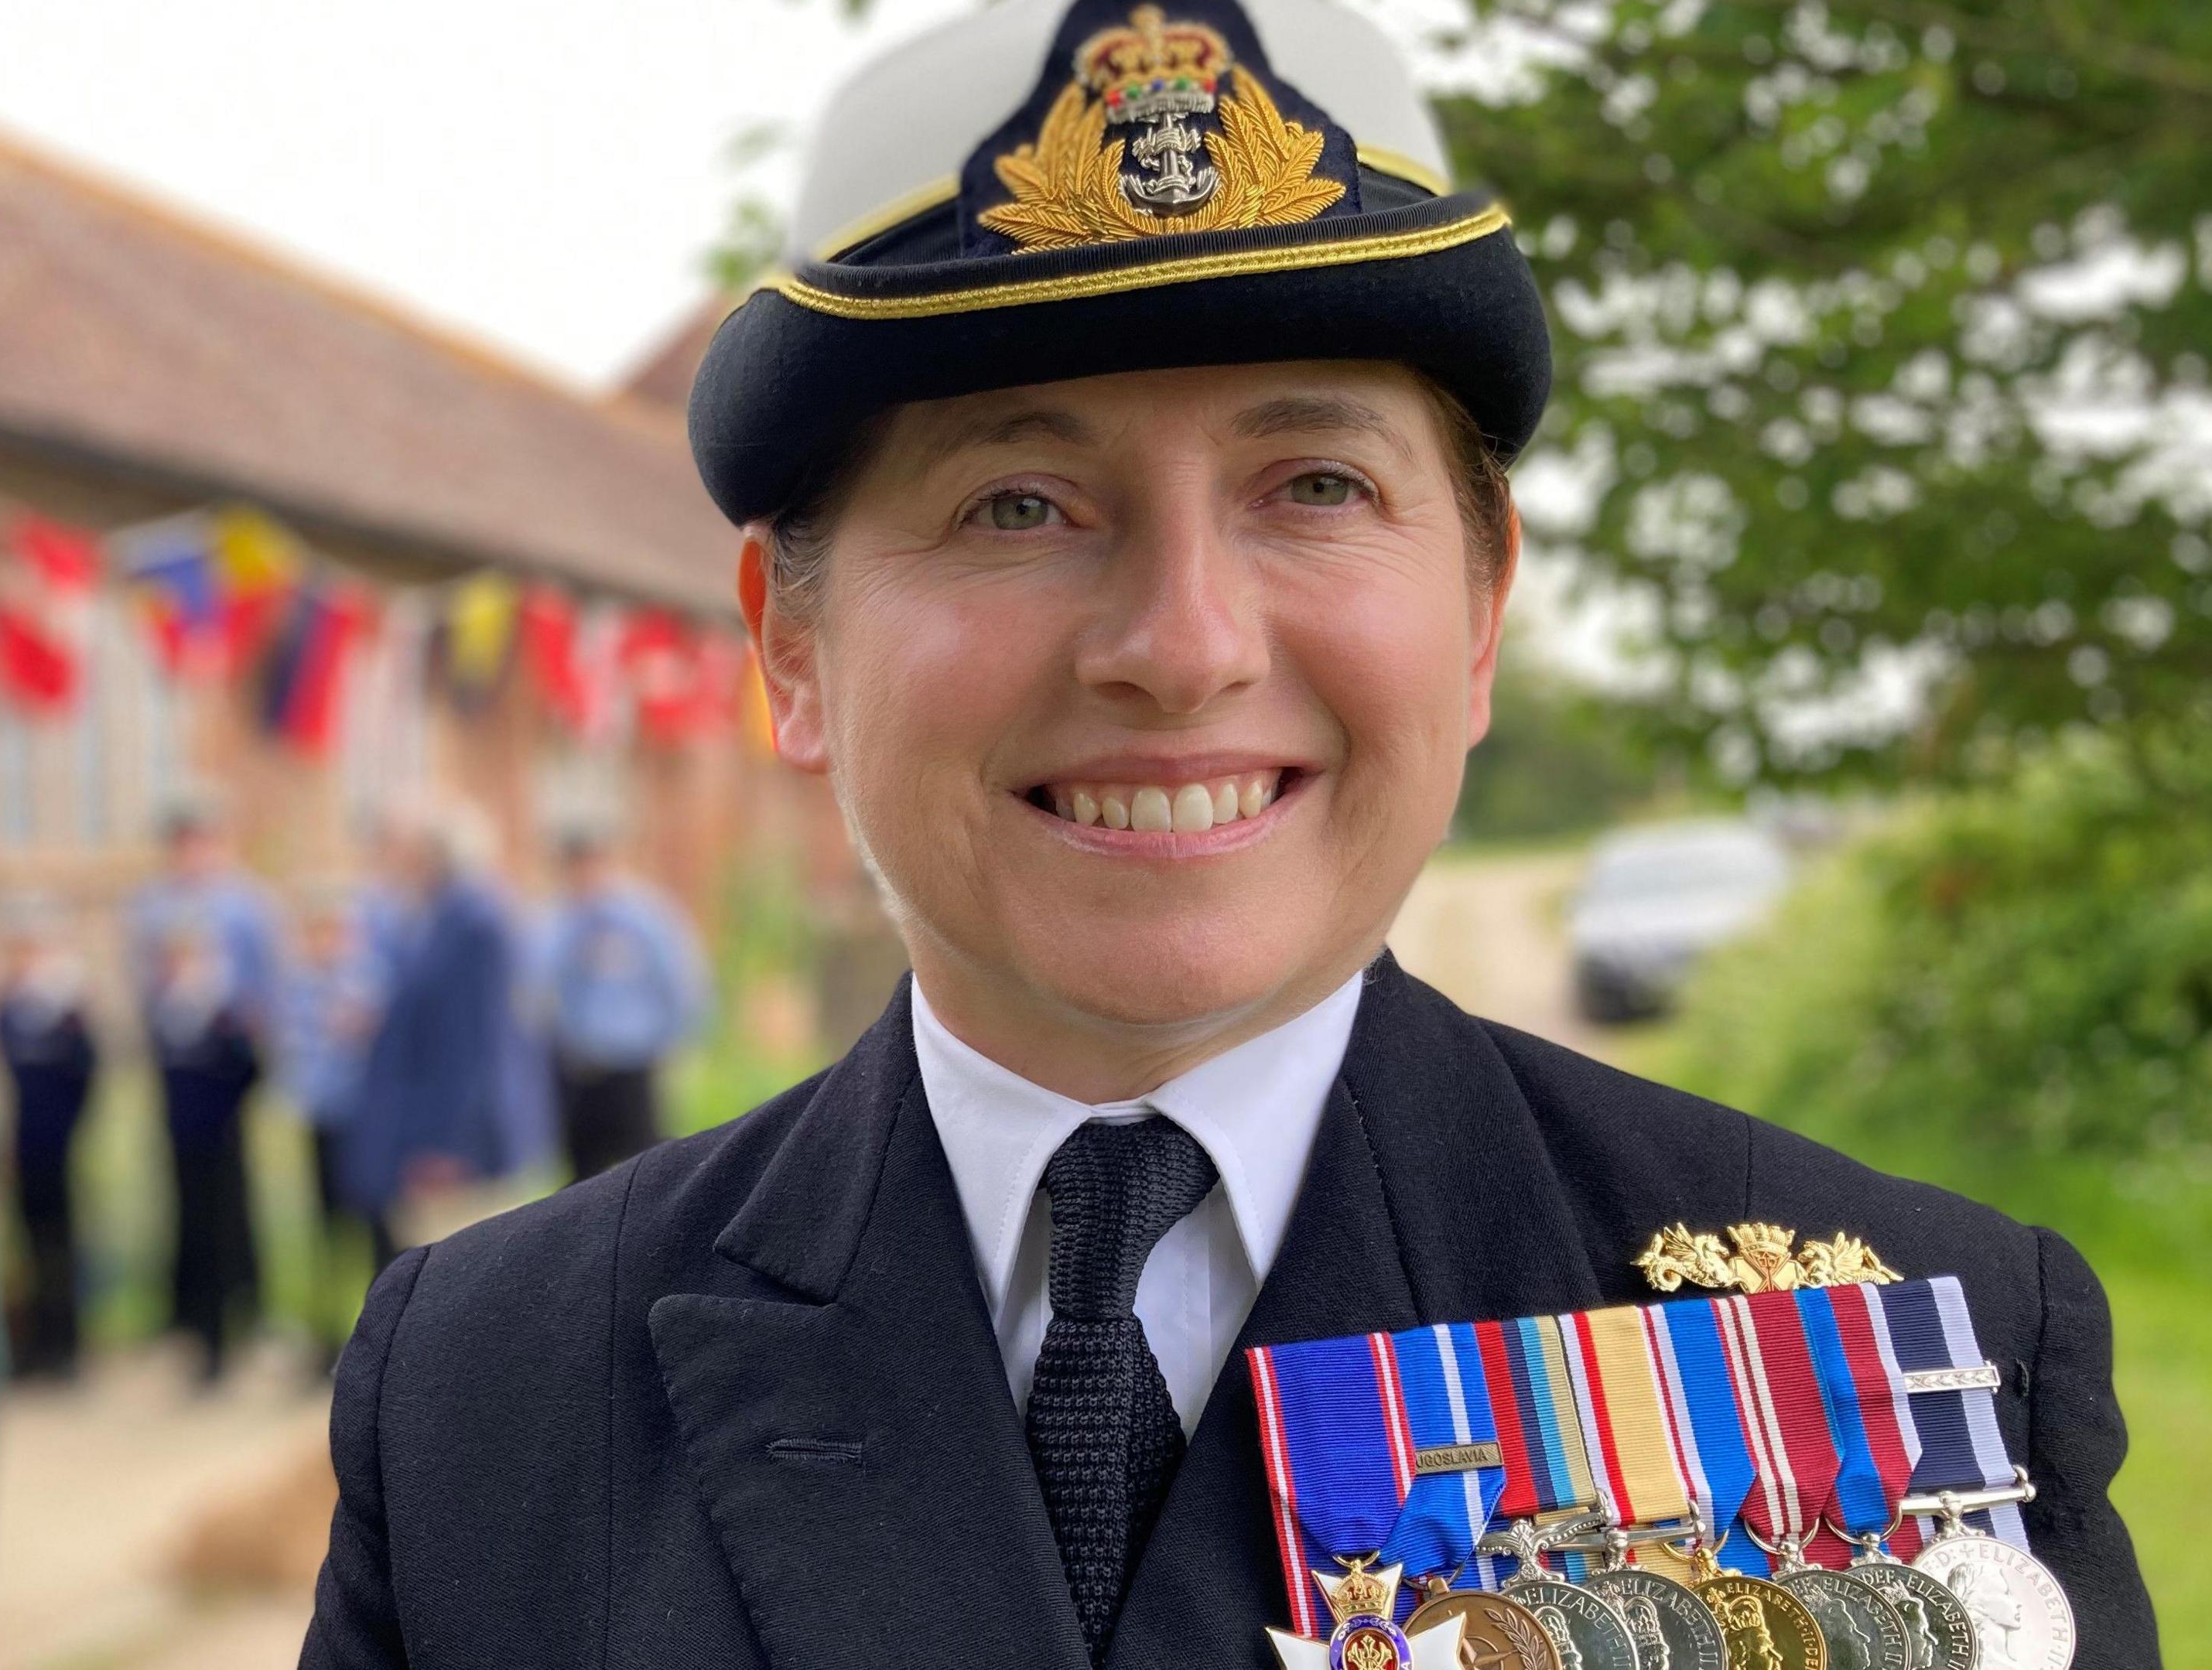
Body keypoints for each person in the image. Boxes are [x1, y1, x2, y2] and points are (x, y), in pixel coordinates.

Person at [299, 3, 2157, 1666]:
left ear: (1481, 606)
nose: (1180, 646)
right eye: (1018, 501)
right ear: (792, 643)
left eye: (1315, 487)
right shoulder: (489, 1394)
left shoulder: (1912, 1360)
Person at [333, 806, 553, 1261]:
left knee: (458, 1279)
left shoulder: (475, 924)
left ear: (429, 853)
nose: (385, 858)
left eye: (395, 847)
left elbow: (479, 1046)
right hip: (414, 1129)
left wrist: (452, 1145)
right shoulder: (428, 915)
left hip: (450, 1144)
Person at [128, 794, 280, 1387]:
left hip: (225, 1062)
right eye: (181, 842)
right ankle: (189, 1316)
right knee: (184, 1192)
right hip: (177, 1063)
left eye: (200, 840)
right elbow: (143, 984)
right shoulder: (152, 906)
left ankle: (242, 1310)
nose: (190, 853)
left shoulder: (244, 906)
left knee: (231, 1192)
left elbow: (265, 987)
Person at [536, 825, 709, 1182]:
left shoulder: (645, 919)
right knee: (580, 1178)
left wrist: (671, 1043)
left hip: (630, 1067)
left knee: (645, 1172)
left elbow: (682, 985)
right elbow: (540, 986)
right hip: (578, 1070)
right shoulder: (558, 923)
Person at [0, 893, 95, 1382]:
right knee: (24, 1248)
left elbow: (85, 1077)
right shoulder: (6, 1011)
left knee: (60, 1246)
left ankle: (66, 1346)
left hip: (57, 1147)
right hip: (16, 1150)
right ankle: (30, 1343)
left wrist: (67, 1134)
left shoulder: (67, 1012)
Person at [275, 878, 396, 1281]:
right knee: (328, 1224)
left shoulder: (372, 980)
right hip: (323, 1114)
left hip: (368, 1119)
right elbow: (293, 1052)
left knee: (379, 1221)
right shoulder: (300, 986)